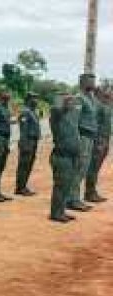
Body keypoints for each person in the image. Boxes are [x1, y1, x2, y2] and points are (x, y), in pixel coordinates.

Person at [48, 94, 81, 223]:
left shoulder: (71, 116)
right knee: (60, 185)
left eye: (72, 101)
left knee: (67, 185)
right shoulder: (56, 116)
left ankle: (61, 211)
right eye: (67, 101)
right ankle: (55, 213)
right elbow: (55, 110)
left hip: (71, 156)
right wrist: (64, 104)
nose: (71, 103)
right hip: (61, 156)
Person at [71, 73, 100, 211]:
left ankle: (75, 198)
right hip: (82, 137)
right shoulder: (79, 99)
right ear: (83, 82)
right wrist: (76, 139)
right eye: (91, 81)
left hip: (90, 137)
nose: (94, 84)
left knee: (84, 168)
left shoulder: (91, 98)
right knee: (79, 168)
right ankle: (73, 200)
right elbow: (74, 121)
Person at [86, 89, 111, 203]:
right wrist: (97, 141)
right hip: (99, 140)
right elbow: (93, 123)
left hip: (105, 139)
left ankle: (92, 191)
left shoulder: (107, 106)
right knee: (93, 167)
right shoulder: (99, 107)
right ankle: (90, 193)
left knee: (96, 167)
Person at [15, 92, 41, 196]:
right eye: (34, 98)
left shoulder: (32, 112)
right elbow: (24, 130)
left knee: (29, 165)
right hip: (27, 142)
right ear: (29, 100)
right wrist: (25, 144)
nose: (36, 101)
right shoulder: (25, 112)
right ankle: (20, 188)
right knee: (24, 165)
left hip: (33, 141)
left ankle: (23, 186)